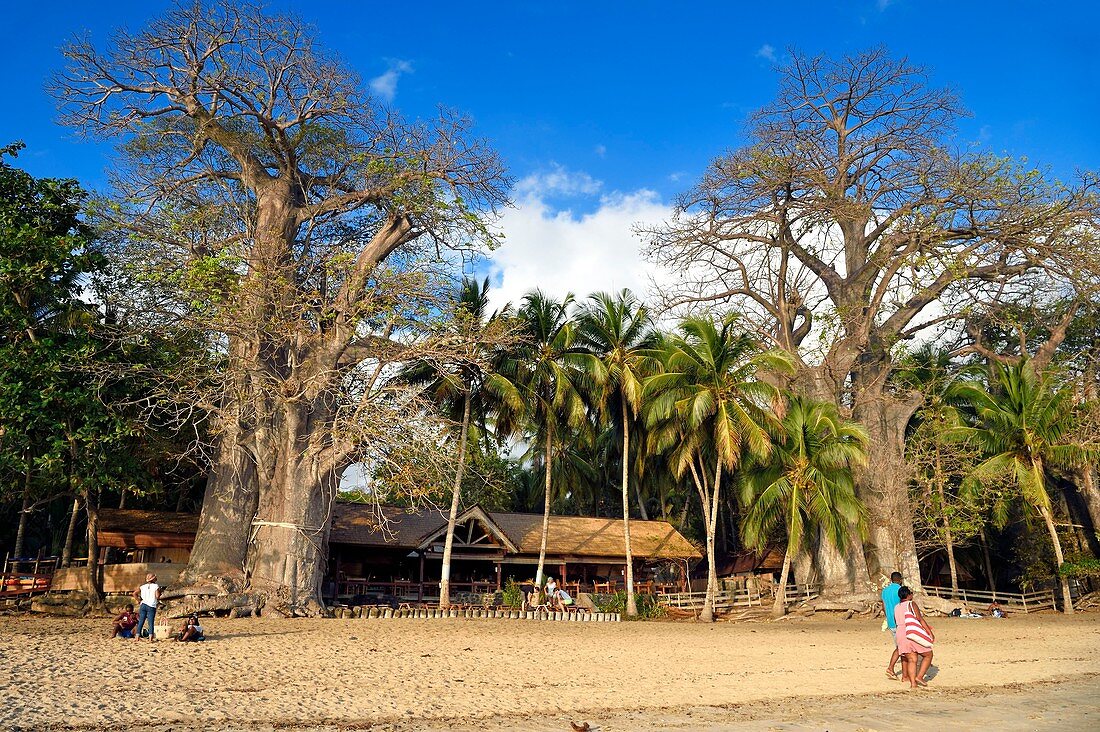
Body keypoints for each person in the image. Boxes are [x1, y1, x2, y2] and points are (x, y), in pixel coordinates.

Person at [894, 585, 935, 688]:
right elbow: (920, 619)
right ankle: (920, 677)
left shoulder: (897, 607)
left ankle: (913, 684)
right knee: (928, 654)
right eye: (911, 593)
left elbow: (896, 621)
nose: (912, 595)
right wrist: (929, 632)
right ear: (908, 595)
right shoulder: (911, 604)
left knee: (912, 658)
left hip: (900, 632)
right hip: (910, 632)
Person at [881, 571, 903, 680]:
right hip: (900, 622)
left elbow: (884, 607)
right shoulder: (900, 590)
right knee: (902, 647)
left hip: (890, 622)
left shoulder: (885, 591)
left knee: (901, 647)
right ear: (900, 580)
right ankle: (890, 668)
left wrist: (888, 617)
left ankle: (906, 675)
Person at [132, 572, 162, 640]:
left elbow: (134, 593)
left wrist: (139, 600)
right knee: (150, 622)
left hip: (143, 604)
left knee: (141, 621)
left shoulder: (143, 586)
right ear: (153, 579)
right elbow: (157, 596)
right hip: (151, 605)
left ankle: (137, 636)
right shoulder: (156, 586)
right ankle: (150, 637)